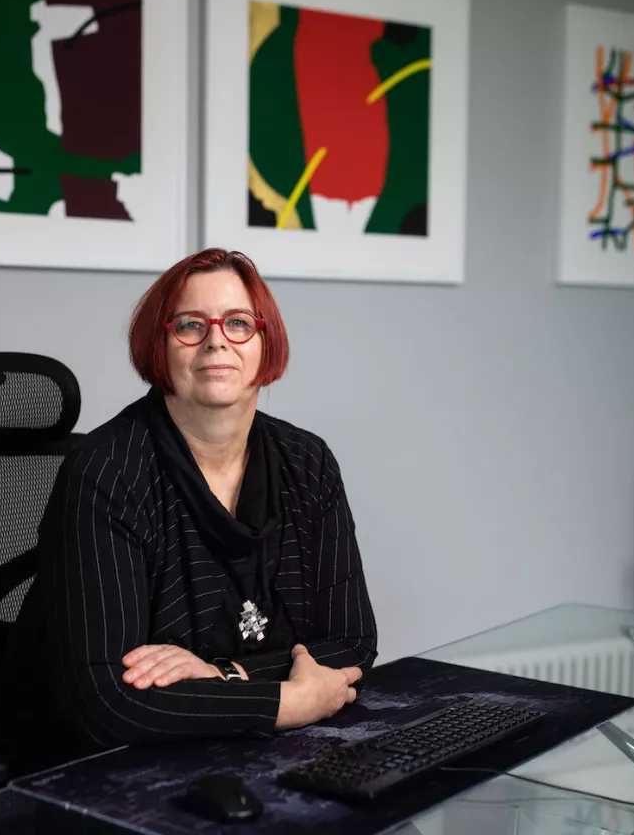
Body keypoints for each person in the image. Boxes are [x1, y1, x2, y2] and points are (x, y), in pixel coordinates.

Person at [31, 248, 377, 754]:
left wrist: (224, 676)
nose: (217, 339)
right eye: (191, 325)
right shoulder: (106, 473)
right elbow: (106, 702)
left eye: (238, 322)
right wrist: (289, 702)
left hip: (242, 748)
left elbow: (352, 642)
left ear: (266, 341)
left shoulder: (309, 462)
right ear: (160, 344)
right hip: (98, 765)